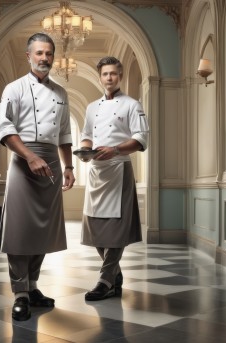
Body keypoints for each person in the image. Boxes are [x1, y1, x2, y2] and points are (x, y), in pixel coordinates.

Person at [0, 32, 75, 321]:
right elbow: (5, 130)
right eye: (39, 53)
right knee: (19, 230)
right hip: (23, 160)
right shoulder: (13, 89)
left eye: (49, 54)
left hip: (52, 160)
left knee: (42, 230)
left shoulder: (61, 93)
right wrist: (29, 156)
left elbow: (65, 134)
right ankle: (19, 293)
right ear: (28, 56)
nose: (44, 58)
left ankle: (32, 286)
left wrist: (68, 167)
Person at [79, 56, 149, 301]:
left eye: (113, 74)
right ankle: (115, 275)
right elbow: (86, 134)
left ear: (119, 76)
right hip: (97, 171)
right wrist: (86, 150)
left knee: (117, 228)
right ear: (100, 77)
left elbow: (141, 139)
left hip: (119, 169)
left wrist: (116, 150)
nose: (109, 78)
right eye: (105, 74)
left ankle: (104, 280)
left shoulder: (132, 104)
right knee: (96, 227)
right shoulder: (91, 107)